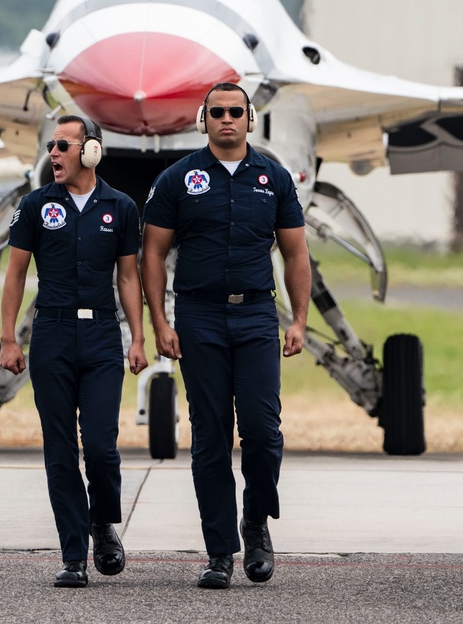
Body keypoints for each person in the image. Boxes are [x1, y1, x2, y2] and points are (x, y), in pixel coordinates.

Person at [140, 82, 311, 589]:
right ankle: (219, 553)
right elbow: (152, 254)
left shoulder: (274, 178)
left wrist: (298, 319)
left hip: (257, 317)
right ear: (203, 120)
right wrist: (160, 323)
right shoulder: (178, 179)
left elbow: (296, 253)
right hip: (200, 319)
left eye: (236, 111)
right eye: (217, 112)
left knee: (262, 432)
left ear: (250, 119)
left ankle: (256, 524)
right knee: (210, 438)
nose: (227, 119)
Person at [0, 114, 149, 588]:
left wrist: (138, 338)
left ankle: (102, 524)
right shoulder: (36, 206)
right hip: (53, 336)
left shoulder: (120, 207)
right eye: (52, 145)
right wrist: (8, 338)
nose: (54, 154)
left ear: (91, 151)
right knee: (60, 449)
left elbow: (129, 276)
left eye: (64, 145)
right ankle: (72, 555)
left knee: (101, 447)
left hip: (103, 336)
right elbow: (16, 274)